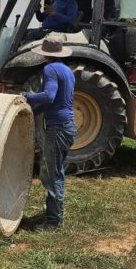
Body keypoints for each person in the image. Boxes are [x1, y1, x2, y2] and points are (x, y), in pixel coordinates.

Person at [21, 33, 77, 231]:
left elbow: (49, 97)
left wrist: (26, 96)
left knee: (52, 174)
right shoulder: (67, 71)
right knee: (56, 171)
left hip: (58, 129)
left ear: (45, 54)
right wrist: (31, 114)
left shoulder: (50, 68)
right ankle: (55, 211)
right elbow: (54, 102)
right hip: (68, 126)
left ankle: (53, 222)